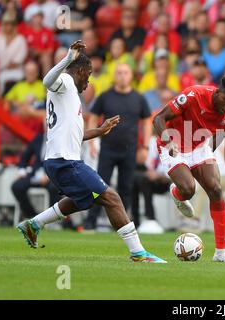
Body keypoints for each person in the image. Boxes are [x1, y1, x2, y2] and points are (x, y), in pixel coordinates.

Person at [17, 40, 165, 263]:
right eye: (88, 76)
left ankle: (34, 224)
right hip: (64, 162)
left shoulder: (69, 95)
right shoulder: (65, 81)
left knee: (83, 200)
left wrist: (100, 130)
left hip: (62, 160)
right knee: (111, 197)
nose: (88, 83)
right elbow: (47, 80)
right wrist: (68, 58)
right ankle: (138, 253)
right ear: (80, 70)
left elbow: (74, 135)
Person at [152, 75, 225, 263]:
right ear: (217, 92)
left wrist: (209, 153)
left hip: (199, 147)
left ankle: (221, 251)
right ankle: (178, 193)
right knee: (188, 189)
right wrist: (169, 143)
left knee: (216, 189)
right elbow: (158, 119)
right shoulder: (194, 95)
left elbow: (221, 133)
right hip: (172, 144)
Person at [83, 63, 151, 232]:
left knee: (125, 188)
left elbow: (147, 122)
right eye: (119, 73)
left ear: (131, 76)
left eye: (125, 72)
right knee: (99, 186)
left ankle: (122, 224)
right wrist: (92, 142)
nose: (122, 76)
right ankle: (91, 221)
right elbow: (93, 117)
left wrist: (145, 147)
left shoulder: (138, 98)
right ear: (115, 75)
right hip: (108, 148)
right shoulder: (105, 96)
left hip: (130, 150)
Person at [11, 132, 61, 220]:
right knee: (17, 186)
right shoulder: (38, 138)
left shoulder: (61, 139)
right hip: (35, 175)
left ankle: (52, 218)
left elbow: (62, 161)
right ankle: (31, 216)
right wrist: (22, 172)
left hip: (52, 176)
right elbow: (24, 158)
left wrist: (48, 176)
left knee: (54, 188)